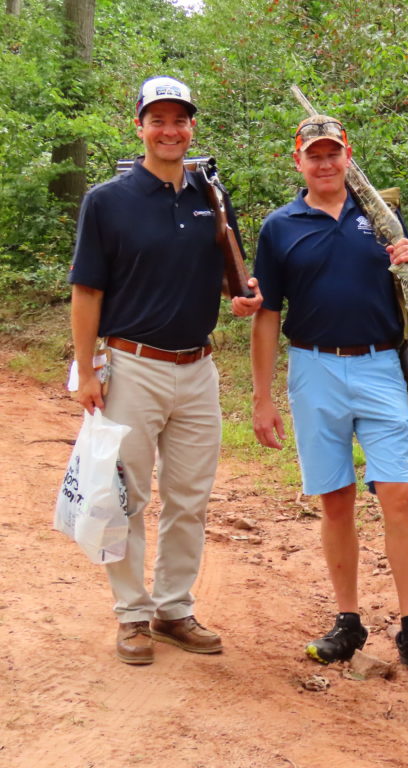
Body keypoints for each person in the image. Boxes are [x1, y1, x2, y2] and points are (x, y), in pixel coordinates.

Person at [250, 114, 408, 678]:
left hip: (379, 366)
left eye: (333, 153)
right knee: (336, 500)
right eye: (313, 155)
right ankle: (348, 622)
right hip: (313, 369)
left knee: (399, 494)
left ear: (348, 157)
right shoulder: (279, 227)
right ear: (298, 162)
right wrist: (262, 398)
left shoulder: (380, 216)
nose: (324, 163)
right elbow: (268, 314)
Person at [69, 76, 262, 665]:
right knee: (124, 497)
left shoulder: (210, 194)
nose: (169, 130)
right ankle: (131, 614)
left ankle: (174, 608)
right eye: (158, 119)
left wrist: (243, 294)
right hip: (132, 365)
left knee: (189, 498)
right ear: (140, 126)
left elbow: (230, 269)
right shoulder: (108, 200)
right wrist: (87, 372)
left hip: (198, 367)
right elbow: (86, 290)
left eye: (179, 120)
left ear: (191, 127)